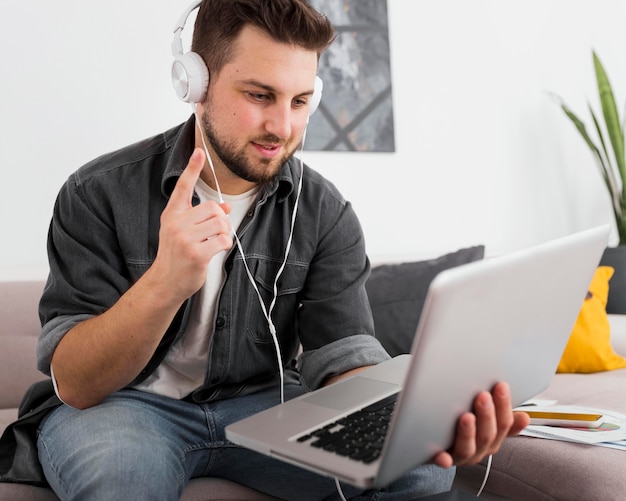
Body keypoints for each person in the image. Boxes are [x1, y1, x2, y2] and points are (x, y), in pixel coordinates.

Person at [7, 0, 529, 499]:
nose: (282, 127)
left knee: (419, 472)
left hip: (263, 409)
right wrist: (164, 285)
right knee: (120, 480)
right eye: (259, 95)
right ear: (195, 85)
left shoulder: (324, 210)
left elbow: (342, 356)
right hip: (121, 408)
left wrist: (412, 415)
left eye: (300, 101)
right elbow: (75, 383)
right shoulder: (98, 193)